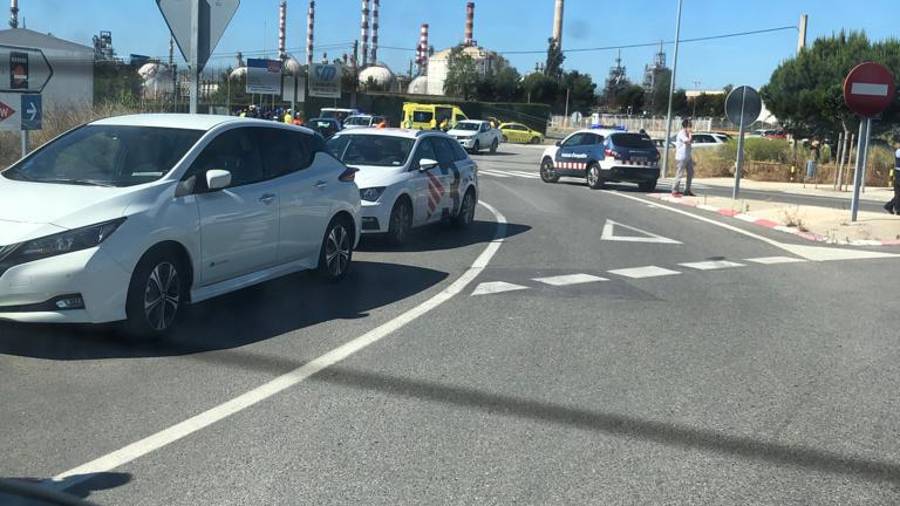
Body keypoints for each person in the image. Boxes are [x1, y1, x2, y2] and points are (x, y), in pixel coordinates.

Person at [672, 119, 695, 197]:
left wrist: (689, 134)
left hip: (688, 157)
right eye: (690, 126)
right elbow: (688, 141)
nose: (691, 127)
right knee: (679, 174)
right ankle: (675, 190)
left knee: (690, 173)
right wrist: (690, 134)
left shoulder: (687, 133)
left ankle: (687, 190)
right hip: (681, 157)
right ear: (686, 126)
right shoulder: (681, 133)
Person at [884, 142, 900, 214]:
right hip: (898, 173)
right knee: (898, 193)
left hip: (898, 173)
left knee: (898, 193)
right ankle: (895, 208)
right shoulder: (899, 151)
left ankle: (891, 206)